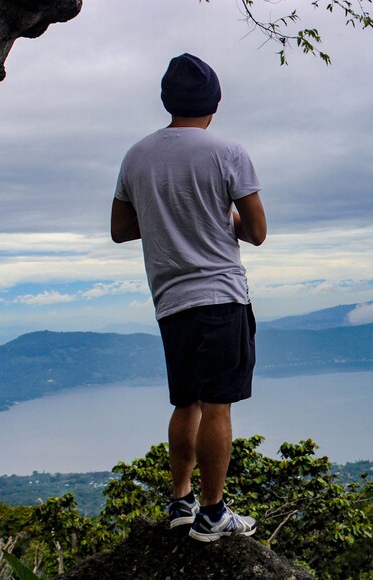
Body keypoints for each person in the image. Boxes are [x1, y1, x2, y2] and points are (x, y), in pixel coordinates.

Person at [110, 53, 267, 542]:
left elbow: (120, 230)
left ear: (166, 101)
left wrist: (166, 219)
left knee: (186, 404)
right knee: (218, 407)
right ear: (214, 103)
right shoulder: (227, 152)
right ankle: (214, 512)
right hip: (220, 295)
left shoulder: (136, 156)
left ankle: (180, 503)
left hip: (171, 299)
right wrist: (219, 220)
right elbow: (257, 231)